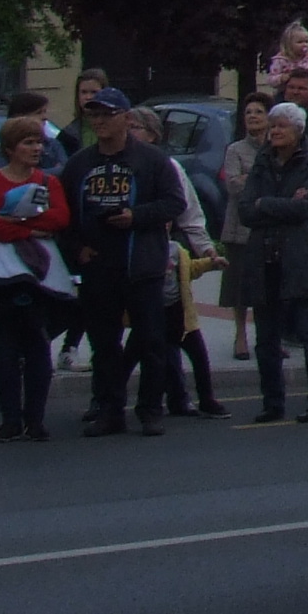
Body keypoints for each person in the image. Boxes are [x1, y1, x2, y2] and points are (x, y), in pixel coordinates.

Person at [62, 87, 188, 437]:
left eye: (108, 114)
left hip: (141, 264)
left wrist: (136, 216)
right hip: (98, 266)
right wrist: (76, 249)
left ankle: (150, 409)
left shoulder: (152, 160)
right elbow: (63, 215)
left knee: (151, 341)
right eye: (95, 114)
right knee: (104, 344)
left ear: (127, 118)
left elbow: (174, 203)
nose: (100, 121)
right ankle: (109, 410)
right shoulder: (79, 164)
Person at [0, 116, 74, 442]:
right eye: (29, 143)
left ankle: (35, 420)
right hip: (1, 274)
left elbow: (60, 218)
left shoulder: (48, 182)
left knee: (38, 344)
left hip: (42, 273)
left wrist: (15, 221)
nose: (37, 148)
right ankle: (10, 420)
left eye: (39, 142)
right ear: (10, 148)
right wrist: (28, 230)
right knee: (5, 347)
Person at [240, 100, 308, 424]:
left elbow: (305, 208)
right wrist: (278, 204)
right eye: (273, 126)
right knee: (266, 339)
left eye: (282, 126)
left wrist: (265, 203)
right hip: (265, 259)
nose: (275, 132)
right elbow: (245, 210)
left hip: (301, 259)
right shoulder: (262, 163)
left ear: (298, 131)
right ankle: (272, 403)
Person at [134, 107, 230, 418]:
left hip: (163, 262)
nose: (129, 132)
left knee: (177, 341)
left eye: (136, 127)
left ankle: (190, 398)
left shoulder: (167, 166)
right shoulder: (117, 164)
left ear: (153, 135)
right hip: (130, 260)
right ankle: (112, 400)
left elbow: (190, 214)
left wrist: (207, 251)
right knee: (145, 342)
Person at [216, 91, 271, 361]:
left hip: (269, 225)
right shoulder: (235, 150)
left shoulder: (276, 147)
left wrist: (252, 179)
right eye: (248, 112)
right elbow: (234, 185)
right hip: (240, 226)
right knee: (238, 286)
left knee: (268, 286)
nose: (253, 116)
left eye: (259, 112)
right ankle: (240, 335)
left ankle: (269, 337)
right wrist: (262, 180)